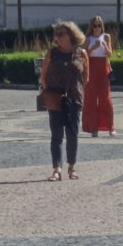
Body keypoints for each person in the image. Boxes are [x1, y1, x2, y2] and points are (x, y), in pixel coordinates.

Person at [40, 21, 89, 181]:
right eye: (56, 34)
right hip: (55, 97)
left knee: (72, 134)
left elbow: (85, 76)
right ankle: (56, 169)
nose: (58, 37)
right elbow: (43, 74)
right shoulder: (52, 53)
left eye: (61, 34)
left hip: (74, 97)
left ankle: (72, 167)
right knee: (56, 134)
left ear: (71, 35)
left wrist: (78, 90)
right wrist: (48, 90)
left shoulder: (81, 53)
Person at [83, 16, 115, 137]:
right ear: (91, 27)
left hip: (103, 67)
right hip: (91, 67)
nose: (97, 28)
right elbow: (84, 54)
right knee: (91, 98)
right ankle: (93, 127)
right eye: (95, 26)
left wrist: (105, 46)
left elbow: (110, 53)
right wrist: (94, 47)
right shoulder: (88, 38)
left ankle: (110, 127)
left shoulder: (106, 37)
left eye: (99, 25)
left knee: (105, 98)